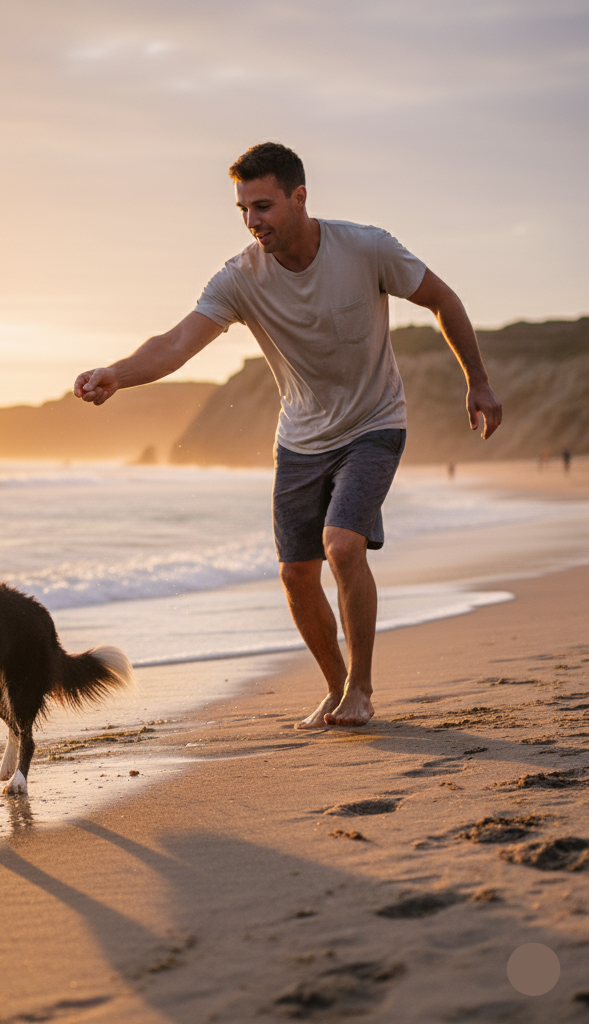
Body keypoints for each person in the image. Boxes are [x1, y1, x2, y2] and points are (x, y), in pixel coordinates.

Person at [73, 142, 502, 730]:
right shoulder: (240, 278)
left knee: (343, 546)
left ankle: (361, 687)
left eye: (264, 206)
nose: (253, 221)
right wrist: (117, 375)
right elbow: (175, 343)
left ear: (300, 197)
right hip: (300, 438)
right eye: (243, 210)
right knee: (296, 574)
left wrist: (478, 380)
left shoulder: (367, 248)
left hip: (374, 423)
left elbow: (442, 298)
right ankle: (335, 687)